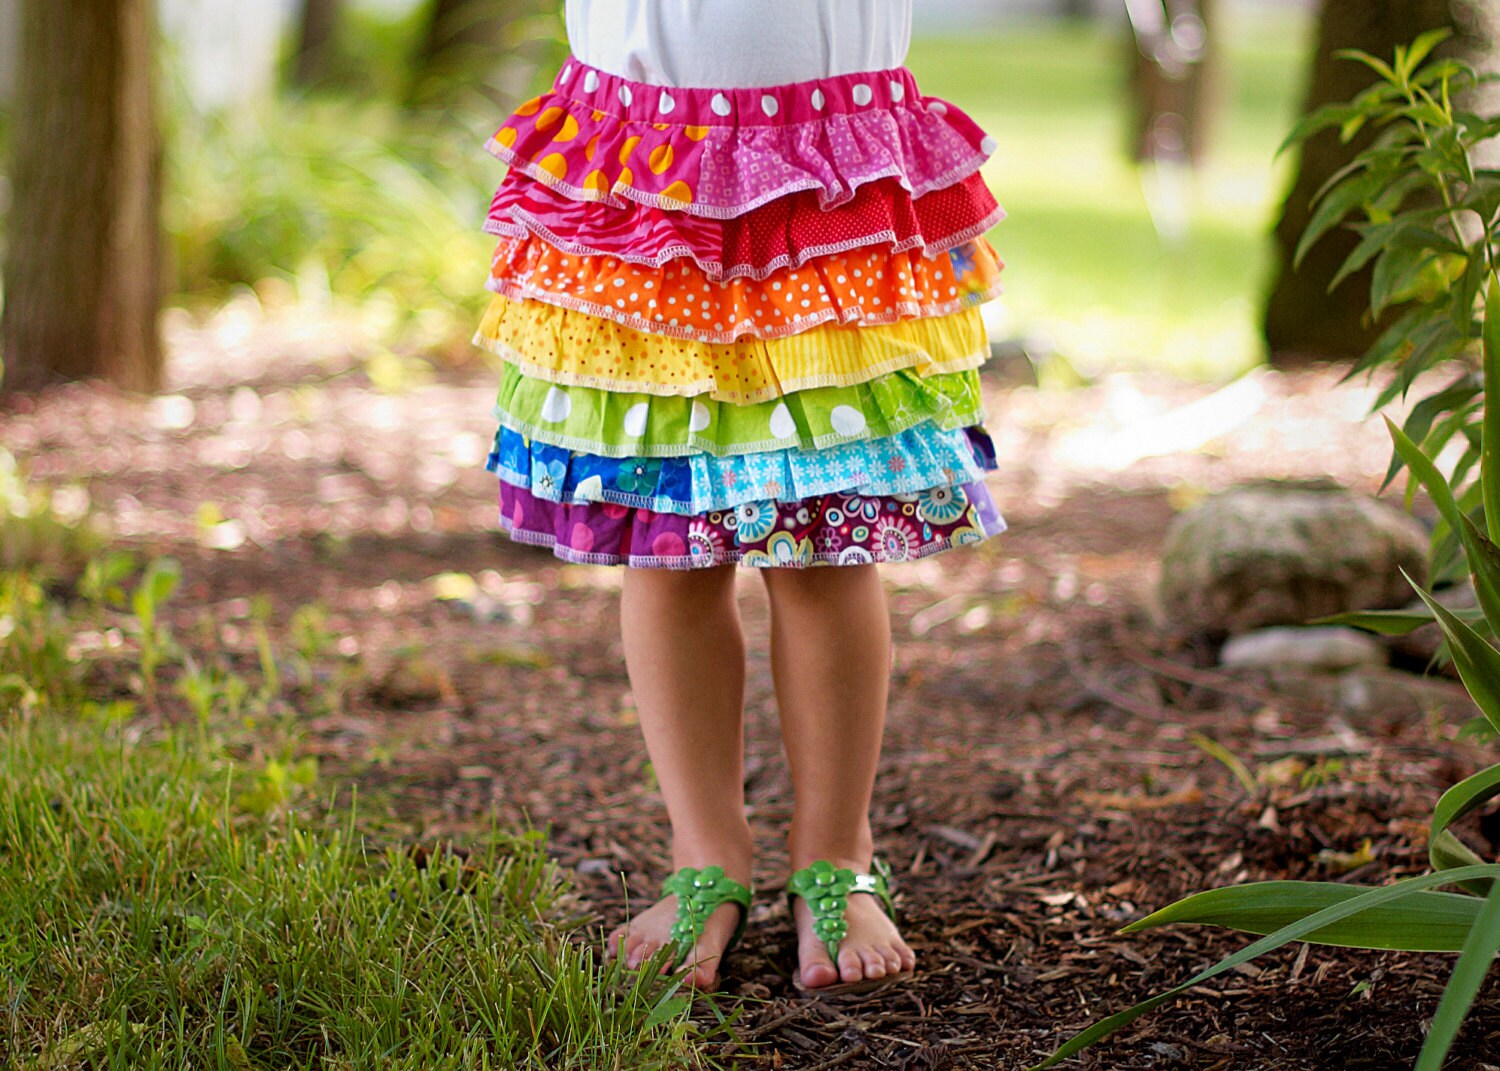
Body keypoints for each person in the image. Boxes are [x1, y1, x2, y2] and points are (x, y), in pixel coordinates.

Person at [475, 0, 1007, 993]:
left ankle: (836, 859)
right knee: (670, 554)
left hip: (831, 169)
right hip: (644, 170)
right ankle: (707, 858)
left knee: (825, 549)